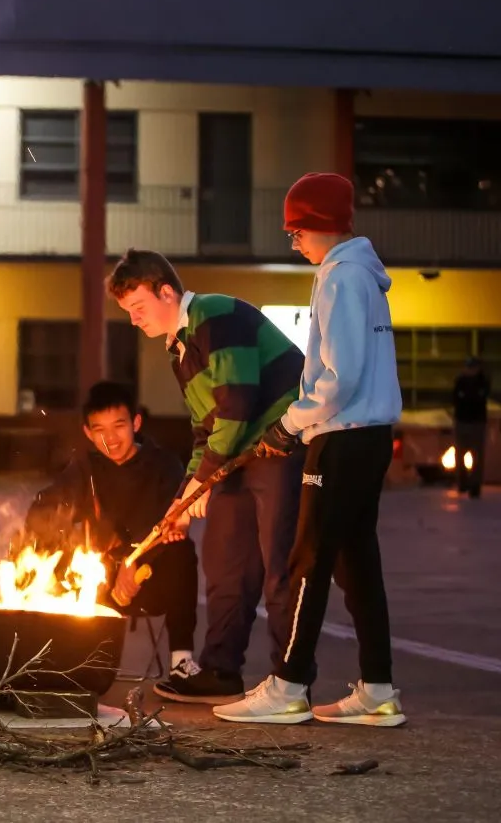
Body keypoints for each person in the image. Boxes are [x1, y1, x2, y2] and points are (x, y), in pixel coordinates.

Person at [215, 173, 407, 727]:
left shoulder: (340, 278)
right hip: (366, 438)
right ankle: (378, 688)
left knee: (308, 560)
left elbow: (338, 377)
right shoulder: (361, 277)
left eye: (296, 231)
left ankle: (289, 685)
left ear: (321, 226)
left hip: (341, 437)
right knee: (356, 561)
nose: (294, 242)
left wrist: (290, 427)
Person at [109, 248, 307, 704]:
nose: (135, 320)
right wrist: (181, 504)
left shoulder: (216, 314)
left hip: (280, 444)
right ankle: (220, 670)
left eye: (139, 308)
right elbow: (206, 430)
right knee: (225, 563)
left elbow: (237, 400)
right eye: (128, 313)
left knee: (279, 565)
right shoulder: (178, 351)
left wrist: (206, 478)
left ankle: (291, 682)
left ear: (166, 292)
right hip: (237, 452)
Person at [23, 381, 200, 683]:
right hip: (98, 582)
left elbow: (167, 525)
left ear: (136, 422)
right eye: (100, 430)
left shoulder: (164, 465)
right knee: (49, 549)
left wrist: (133, 562)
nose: (110, 439)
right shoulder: (86, 469)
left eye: (118, 426)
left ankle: (181, 660)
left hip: (151, 579)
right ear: (88, 433)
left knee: (181, 549)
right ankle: (54, 661)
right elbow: (47, 506)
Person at [452, 356, 491, 498]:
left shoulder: (481, 382)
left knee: (476, 455)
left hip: (475, 422)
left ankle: (474, 485)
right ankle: (463, 482)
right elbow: (459, 398)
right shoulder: (461, 381)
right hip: (465, 421)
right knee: (461, 454)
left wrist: (466, 398)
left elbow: (463, 399)